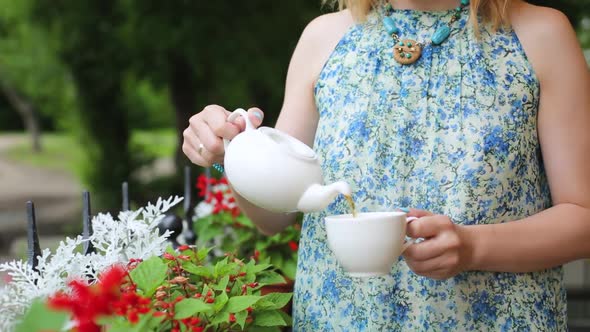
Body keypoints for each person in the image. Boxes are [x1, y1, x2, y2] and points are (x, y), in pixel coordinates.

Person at [183, 0, 590, 330]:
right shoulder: (324, 37)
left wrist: (474, 247)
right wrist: (231, 152)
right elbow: (276, 215)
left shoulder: (541, 34)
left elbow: (582, 219)